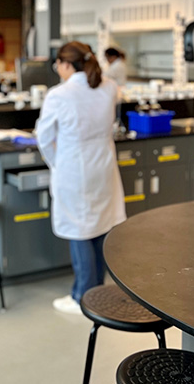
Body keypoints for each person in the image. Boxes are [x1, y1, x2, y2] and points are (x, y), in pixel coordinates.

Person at [35, 41, 126, 315]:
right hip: (104, 166)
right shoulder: (109, 87)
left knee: (79, 232)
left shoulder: (59, 94)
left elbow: (44, 137)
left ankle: (82, 297)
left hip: (75, 168)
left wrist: (57, 164)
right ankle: (96, 290)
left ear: (65, 64)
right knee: (99, 228)